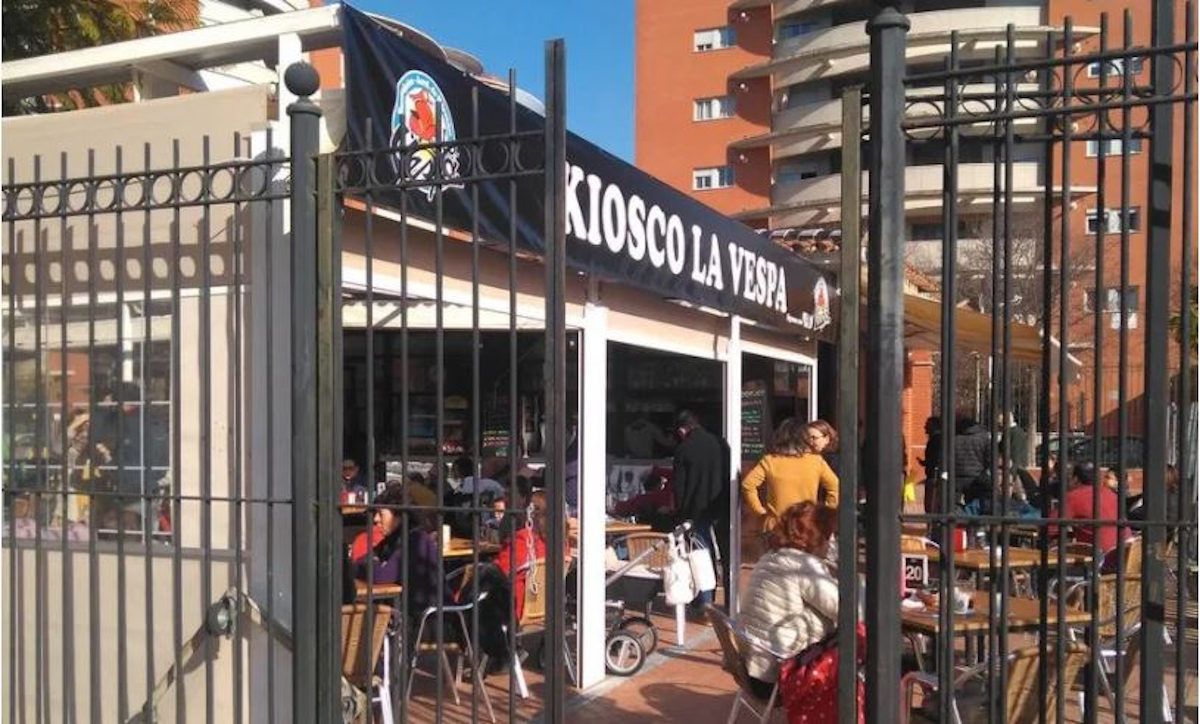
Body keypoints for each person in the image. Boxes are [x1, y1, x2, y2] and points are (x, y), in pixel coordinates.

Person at [737, 502, 839, 698]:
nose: (832, 542)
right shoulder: (803, 565)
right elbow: (847, 609)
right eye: (829, 536)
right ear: (815, 538)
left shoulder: (770, 557)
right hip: (781, 675)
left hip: (752, 670)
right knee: (855, 642)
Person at [356, 484, 445, 615]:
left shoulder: (415, 539)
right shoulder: (394, 538)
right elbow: (359, 561)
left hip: (429, 617)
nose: (376, 519)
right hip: (407, 609)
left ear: (398, 516)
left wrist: (372, 561)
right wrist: (373, 562)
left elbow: (382, 577)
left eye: (381, 514)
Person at [671, 410, 731, 608]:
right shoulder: (721, 444)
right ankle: (731, 600)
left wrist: (680, 513)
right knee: (727, 552)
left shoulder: (683, 449)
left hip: (697, 509)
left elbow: (679, 485)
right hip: (722, 504)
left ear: (682, 430)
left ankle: (706, 600)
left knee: (701, 555)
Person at [742, 418, 840, 532]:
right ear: (803, 439)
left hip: (775, 525)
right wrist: (822, 514)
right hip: (805, 525)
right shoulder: (816, 461)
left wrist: (760, 511)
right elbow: (835, 486)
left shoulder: (770, 461)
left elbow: (748, 485)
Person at [1050, 463, 1128, 554]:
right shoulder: (1112, 495)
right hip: (1128, 554)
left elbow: (1050, 527)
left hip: (1101, 558)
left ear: (1075, 479)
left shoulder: (1073, 497)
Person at [495, 490, 549, 621]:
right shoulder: (560, 543)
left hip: (513, 609)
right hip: (547, 609)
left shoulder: (523, 540)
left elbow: (498, 572)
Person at [952, 414, 992, 509]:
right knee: (974, 505)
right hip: (977, 476)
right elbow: (989, 458)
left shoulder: (954, 437)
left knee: (954, 506)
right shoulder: (983, 437)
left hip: (957, 476)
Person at [919, 416, 943, 514]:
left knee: (931, 503)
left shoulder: (936, 440)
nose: (925, 427)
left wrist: (929, 464)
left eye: (927, 425)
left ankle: (932, 526)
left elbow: (936, 458)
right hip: (933, 474)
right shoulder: (936, 439)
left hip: (934, 476)